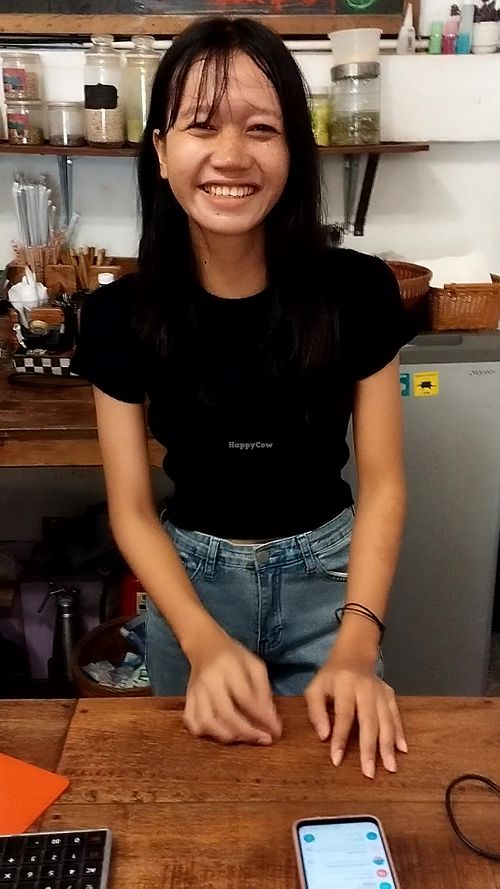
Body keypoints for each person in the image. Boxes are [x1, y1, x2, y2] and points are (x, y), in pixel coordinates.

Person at [72, 16, 414, 779]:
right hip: (190, 588)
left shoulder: (357, 292)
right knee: (199, 792)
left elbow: (385, 482)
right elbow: (131, 508)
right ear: (162, 150)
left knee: (340, 786)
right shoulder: (120, 316)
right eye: (201, 125)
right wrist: (200, 640)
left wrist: (357, 645)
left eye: (261, 128)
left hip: (332, 586)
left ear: (294, 149)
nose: (231, 154)